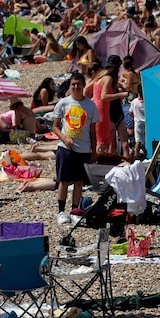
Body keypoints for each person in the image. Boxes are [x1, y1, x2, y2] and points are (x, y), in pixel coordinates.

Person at [53, 72, 99, 226]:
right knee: (64, 181)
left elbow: (93, 131)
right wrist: (64, 138)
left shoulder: (90, 105)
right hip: (65, 148)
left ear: (83, 85)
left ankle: (75, 211)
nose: (76, 87)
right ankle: (61, 212)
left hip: (83, 148)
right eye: (73, 84)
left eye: (78, 84)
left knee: (79, 182)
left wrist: (94, 151)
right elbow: (55, 126)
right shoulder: (63, 103)